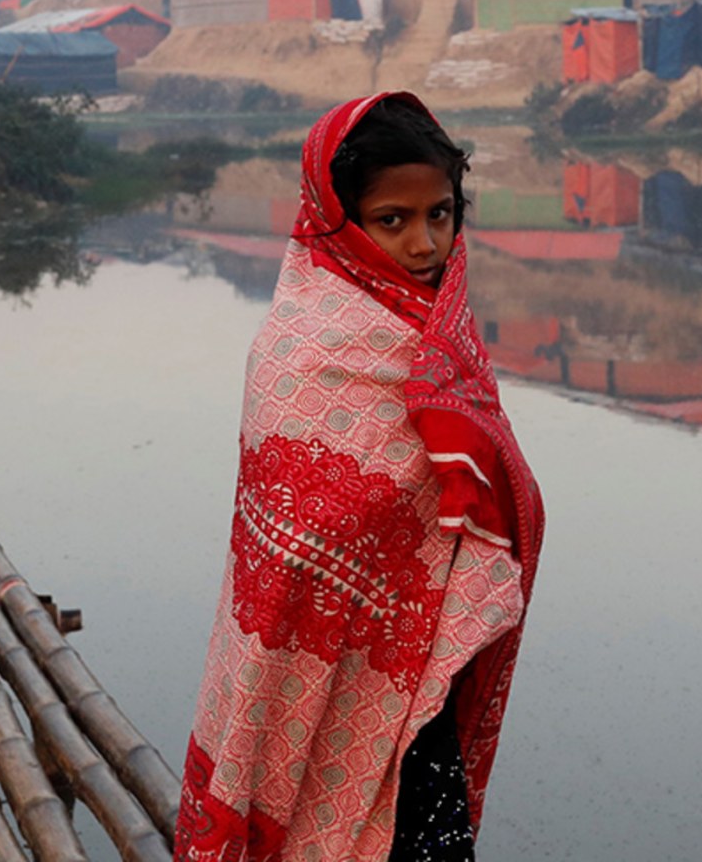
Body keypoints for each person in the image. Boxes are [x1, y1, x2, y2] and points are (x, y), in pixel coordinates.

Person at [176, 92, 545, 862]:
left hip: (424, 695)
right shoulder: (302, 350)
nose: (425, 243)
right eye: (393, 220)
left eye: (440, 213)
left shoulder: (442, 335)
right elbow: (289, 556)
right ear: (337, 219)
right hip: (313, 682)